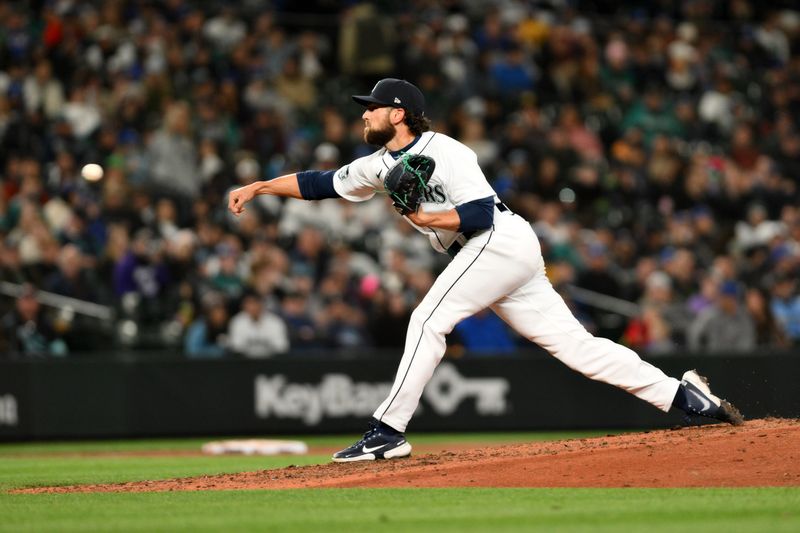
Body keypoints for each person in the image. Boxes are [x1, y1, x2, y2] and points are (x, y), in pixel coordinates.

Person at [228, 78, 743, 463]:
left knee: (428, 320)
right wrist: (257, 187)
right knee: (577, 348)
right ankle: (684, 396)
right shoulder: (376, 167)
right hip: (488, 258)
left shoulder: (445, 149)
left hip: (496, 239)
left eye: (374, 108)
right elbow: (318, 183)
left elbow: (477, 211)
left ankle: (387, 430)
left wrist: (430, 217)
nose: (365, 115)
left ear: (400, 113)